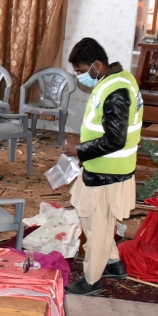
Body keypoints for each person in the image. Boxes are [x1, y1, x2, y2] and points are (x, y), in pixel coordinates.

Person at [60, 38, 144, 295]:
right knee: (85, 210)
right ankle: (112, 262)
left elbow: (115, 140)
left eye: (81, 71)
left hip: (110, 171)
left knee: (99, 224)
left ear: (96, 64)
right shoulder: (113, 80)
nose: (80, 77)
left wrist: (79, 149)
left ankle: (92, 278)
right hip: (98, 166)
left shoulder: (117, 90)